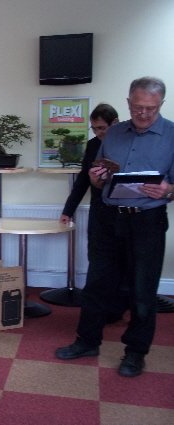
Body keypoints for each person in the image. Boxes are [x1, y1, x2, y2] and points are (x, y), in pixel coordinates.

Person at [56, 77, 174, 378]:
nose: (143, 113)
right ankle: (87, 341)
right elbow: (98, 179)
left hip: (147, 221)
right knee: (97, 283)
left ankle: (135, 353)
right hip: (108, 218)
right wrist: (96, 178)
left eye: (150, 108)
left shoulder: (172, 135)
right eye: (137, 107)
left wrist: (168, 190)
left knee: (142, 290)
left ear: (161, 104)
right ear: (128, 103)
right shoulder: (114, 134)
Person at [59, 103, 128, 322]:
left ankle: (116, 310)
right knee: (98, 261)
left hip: (125, 213)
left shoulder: (129, 142)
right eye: (94, 128)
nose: (98, 133)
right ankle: (98, 310)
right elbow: (82, 181)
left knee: (122, 262)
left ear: (115, 123)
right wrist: (68, 210)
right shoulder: (92, 145)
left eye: (102, 128)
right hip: (100, 211)